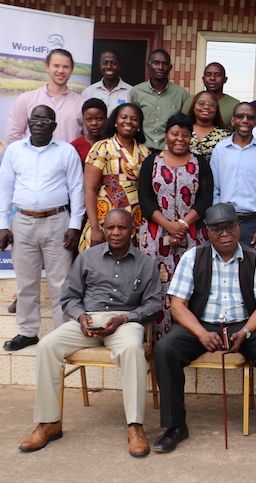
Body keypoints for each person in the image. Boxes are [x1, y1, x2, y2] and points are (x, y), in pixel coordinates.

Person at [18, 209, 161, 456]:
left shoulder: (145, 263)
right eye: (111, 227)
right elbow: (70, 296)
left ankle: (135, 426)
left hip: (124, 322)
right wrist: (81, 316)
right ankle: (49, 423)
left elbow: (153, 303)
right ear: (104, 229)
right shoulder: (86, 258)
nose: (116, 233)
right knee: (48, 345)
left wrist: (124, 318)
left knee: (131, 349)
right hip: (88, 322)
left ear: (132, 230)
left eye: (122, 228)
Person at [154, 203, 256, 454]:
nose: (225, 234)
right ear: (207, 231)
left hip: (242, 322)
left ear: (239, 227)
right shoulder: (192, 257)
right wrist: (200, 333)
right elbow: (178, 305)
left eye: (230, 227)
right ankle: (175, 426)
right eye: (217, 229)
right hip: (202, 322)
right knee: (165, 348)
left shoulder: (255, 259)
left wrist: (247, 331)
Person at [0, 105, 85, 351]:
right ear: (29, 122)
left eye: (44, 119)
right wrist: (3, 225)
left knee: (60, 283)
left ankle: (62, 335)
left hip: (58, 222)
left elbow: (77, 189)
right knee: (26, 282)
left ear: (54, 126)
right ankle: (27, 332)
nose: (38, 122)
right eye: (34, 118)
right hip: (22, 223)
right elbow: (4, 188)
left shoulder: (66, 151)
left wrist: (75, 225)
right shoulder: (14, 150)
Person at [138, 113, 213, 339]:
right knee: (157, 289)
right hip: (155, 237)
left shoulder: (200, 163)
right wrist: (168, 225)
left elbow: (205, 199)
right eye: (174, 134)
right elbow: (145, 199)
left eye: (185, 135)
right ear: (166, 136)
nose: (179, 139)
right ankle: (153, 342)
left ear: (191, 137)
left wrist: (182, 223)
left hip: (192, 236)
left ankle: (186, 339)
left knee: (191, 287)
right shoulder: (152, 161)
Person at [79, 103, 150, 251]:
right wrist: (95, 227)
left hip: (135, 218)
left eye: (134, 119)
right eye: (123, 117)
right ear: (115, 122)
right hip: (105, 216)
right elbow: (90, 190)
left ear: (139, 125)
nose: (128, 121)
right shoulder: (102, 147)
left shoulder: (145, 152)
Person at [210, 102, 256, 249]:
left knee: (249, 270)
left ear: (255, 122)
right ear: (233, 120)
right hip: (224, 222)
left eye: (250, 117)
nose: (245, 120)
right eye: (240, 116)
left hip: (254, 225)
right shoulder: (221, 149)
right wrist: (216, 222)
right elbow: (215, 189)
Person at [6, 49, 84, 144]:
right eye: (56, 66)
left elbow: (89, 139)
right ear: (47, 67)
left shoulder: (82, 103)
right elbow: (13, 136)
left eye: (66, 67)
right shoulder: (26, 99)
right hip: (33, 158)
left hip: (69, 158)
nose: (61, 71)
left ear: (72, 69)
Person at [131, 49, 190, 151]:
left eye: (164, 64)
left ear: (170, 67)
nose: (160, 67)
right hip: (142, 150)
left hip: (169, 152)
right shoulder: (136, 92)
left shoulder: (181, 94)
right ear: (148, 65)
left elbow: (186, 125)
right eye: (156, 63)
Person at [181, 62, 240, 130]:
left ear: (225, 79)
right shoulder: (191, 102)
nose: (212, 78)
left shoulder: (235, 104)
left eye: (217, 75)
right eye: (208, 75)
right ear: (203, 79)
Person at [186, 91, 231, 157]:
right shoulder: (183, 131)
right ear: (193, 107)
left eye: (212, 104)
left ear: (216, 109)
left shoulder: (226, 137)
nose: (206, 107)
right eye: (201, 103)